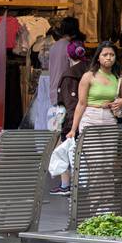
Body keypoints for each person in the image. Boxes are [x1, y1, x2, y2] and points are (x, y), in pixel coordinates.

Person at [67, 41, 122, 139]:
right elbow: (81, 104)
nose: (108, 57)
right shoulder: (88, 76)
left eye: (112, 55)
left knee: (110, 154)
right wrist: (73, 129)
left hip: (110, 118)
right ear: (98, 58)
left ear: (116, 58)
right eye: (105, 55)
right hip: (90, 118)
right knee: (90, 153)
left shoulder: (119, 79)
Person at [51, 40, 88, 195]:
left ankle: (66, 185)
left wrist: (70, 125)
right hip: (89, 118)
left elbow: (70, 103)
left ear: (68, 55)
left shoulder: (70, 75)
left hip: (72, 121)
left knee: (62, 151)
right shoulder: (90, 71)